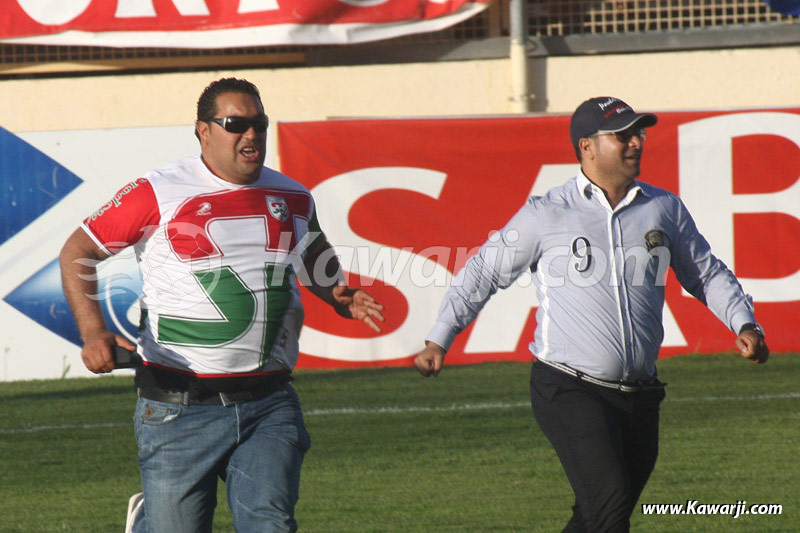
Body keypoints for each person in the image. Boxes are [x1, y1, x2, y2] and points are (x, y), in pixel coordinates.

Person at [414, 97, 769, 532]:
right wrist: (440, 337)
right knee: (609, 504)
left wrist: (743, 322)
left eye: (638, 132)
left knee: (596, 516)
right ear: (587, 146)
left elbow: (705, 273)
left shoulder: (663, 208)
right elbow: (483, 273)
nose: (636, 141)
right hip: (568, 387)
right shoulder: (547, 213)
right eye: (622, 134)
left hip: (641, 395)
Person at [60, 77, 385, 533]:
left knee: (271, 526)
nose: (250, 134)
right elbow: (79, 250)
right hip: (178, 404)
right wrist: (93, 332)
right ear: (204, 131)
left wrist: (338, 294)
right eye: (236, 123)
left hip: (269, 402)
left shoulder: (292, 195)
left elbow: (311, 251)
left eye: (259, 123)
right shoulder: (158, 191)